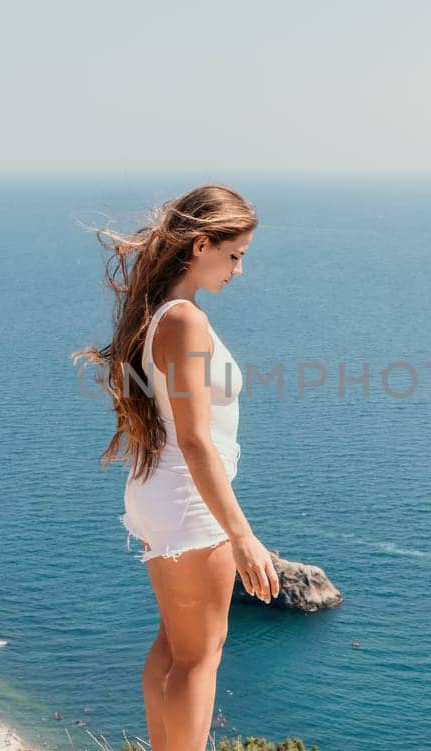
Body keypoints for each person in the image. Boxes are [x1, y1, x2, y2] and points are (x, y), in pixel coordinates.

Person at [73, 184, 281, 751]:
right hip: (189, 501)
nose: (238, 271)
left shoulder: (159, 313)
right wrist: (243, 536)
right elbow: (194, 439)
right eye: (234, 255)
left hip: (159, 495)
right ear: (201, 245)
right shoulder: (184, 320)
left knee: (174, 645)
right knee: (200, 655)